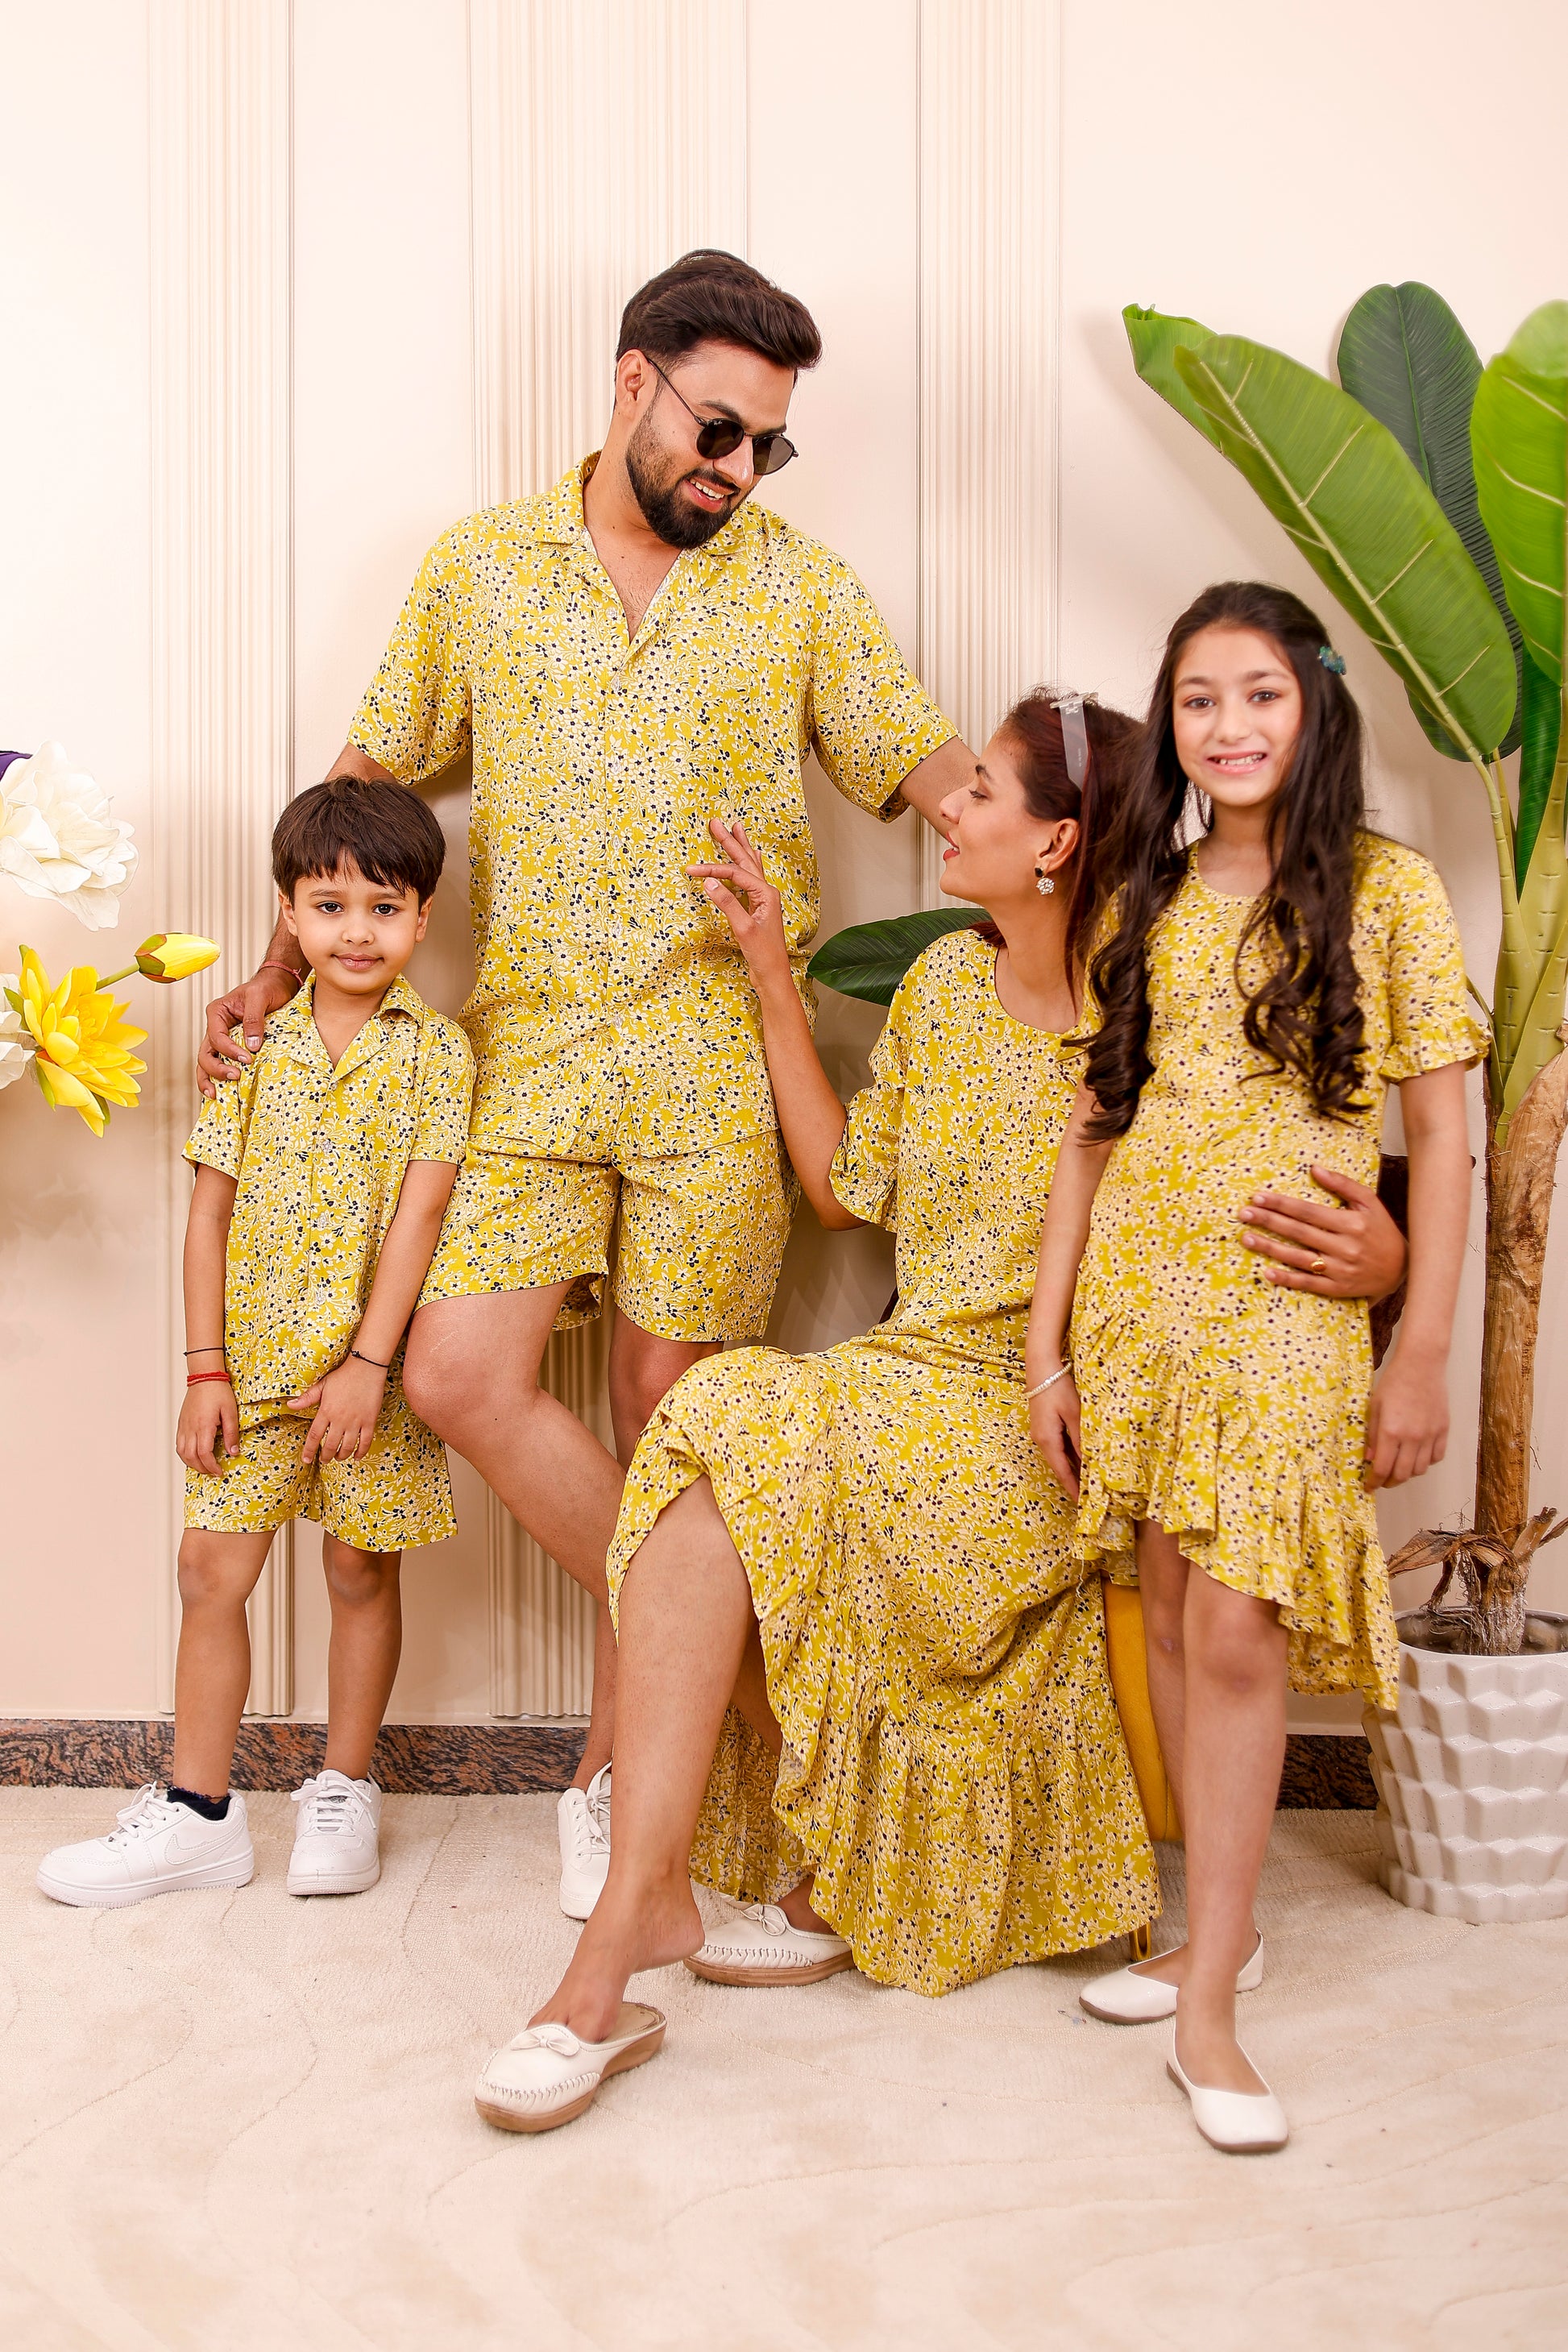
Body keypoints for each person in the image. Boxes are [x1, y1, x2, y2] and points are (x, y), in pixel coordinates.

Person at [467, 687, 1410, 2134]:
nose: (947, 810)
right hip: (909, 1375)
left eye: (979, 791)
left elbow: (1301, 1164)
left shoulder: (1165, 998)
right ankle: (629, 1928)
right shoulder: (941, 989)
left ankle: (616, 1956)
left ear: (1057, 842)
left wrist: (1386, 1261)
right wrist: (770, 972)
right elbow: (845, 1189)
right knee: (713, 1440)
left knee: (726, 1433)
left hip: (1056, 1421)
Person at [194, 252, 977, 1913]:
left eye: (767, 444)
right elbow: (370, 769)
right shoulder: (481, 565)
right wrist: (270, 974)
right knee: (458, 1373)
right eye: (717, 429)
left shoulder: (800, 587)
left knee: (665, 1430)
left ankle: (619, 1784)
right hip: (530, 1054)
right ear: (632, 383)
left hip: (716, 1068)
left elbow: (923, 762)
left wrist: (1081, 850)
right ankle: (741, 1673)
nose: (738, 468)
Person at [1027, 583, 1482, 2155]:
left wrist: (1419, 1345)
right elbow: (1094, 1129)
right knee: (1166, 1610)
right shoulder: (1142, 892)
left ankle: (1210, 1999)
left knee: (1234, 1624)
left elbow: (1442, 1133)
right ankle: (1208, 1931)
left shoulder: (1386, 889)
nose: (1228, 726)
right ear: (1172, 723)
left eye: (1260, 694)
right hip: (1136, 1303)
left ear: (1314, 706)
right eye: (1198, 699)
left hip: (1285, 1305)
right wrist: (1046, 1351)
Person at [39, 782, 474, 1907]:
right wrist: (205, 1371)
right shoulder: (253, 1049)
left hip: (369, 1377)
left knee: (360, 1569)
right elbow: (208, 1216)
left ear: (422, 917)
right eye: (329, 906)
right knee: (209, 1570)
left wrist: (369, 1367)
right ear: (288, 912)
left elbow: (422, 1216)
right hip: (250, 1367)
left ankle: (343, 1787)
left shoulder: (440, 1056)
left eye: (384, 907)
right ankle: (198, 1812)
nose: (357, 932)